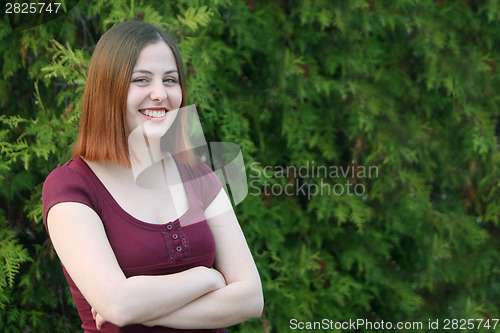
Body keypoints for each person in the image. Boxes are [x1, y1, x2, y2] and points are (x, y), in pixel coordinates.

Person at [42, 20, 263, 332]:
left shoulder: (198, 176)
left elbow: (251, 298)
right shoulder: (72, 187)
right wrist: (208, 277)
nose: (160, 94)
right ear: (108, 88)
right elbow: (118, 304)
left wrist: (148, 312)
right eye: (141, 80)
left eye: (170, 80)